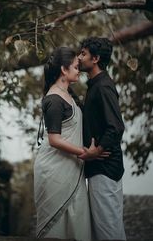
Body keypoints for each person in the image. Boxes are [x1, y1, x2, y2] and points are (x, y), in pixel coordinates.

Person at [33, 47, 109, 240]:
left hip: (71, 169)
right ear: (64, 70)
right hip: (54, 172)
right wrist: (87, 153)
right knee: (56, 230)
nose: (79, 69)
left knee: (77, 224)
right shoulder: (54, 99)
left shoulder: (68, 95)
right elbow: (54, 139)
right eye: (75, 67)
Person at [78, 37, 126, 241]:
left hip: (105, 167)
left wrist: (97, 151)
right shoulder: (95, 85)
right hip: (101, 168)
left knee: (108, 230)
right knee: (106, 228)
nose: (79, 58)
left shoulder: (103, 86)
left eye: (83, 54)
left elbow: (115, 127)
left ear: (95, 58)